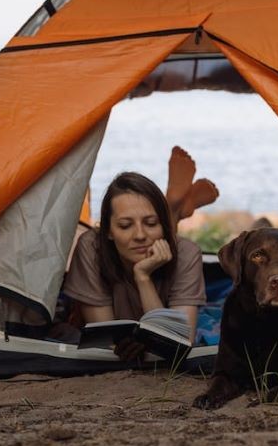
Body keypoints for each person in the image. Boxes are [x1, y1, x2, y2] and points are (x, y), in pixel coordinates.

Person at [62, 148, 218, 361]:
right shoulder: (92, 247)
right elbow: (107, 339)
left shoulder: (186, 253)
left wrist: (143, 277)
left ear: (163, 226)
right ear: (107, 230)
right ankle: (173, 209)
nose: (140, 235)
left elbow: (179, 343)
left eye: (151, 223)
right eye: (125, 226)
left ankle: (173, 210)